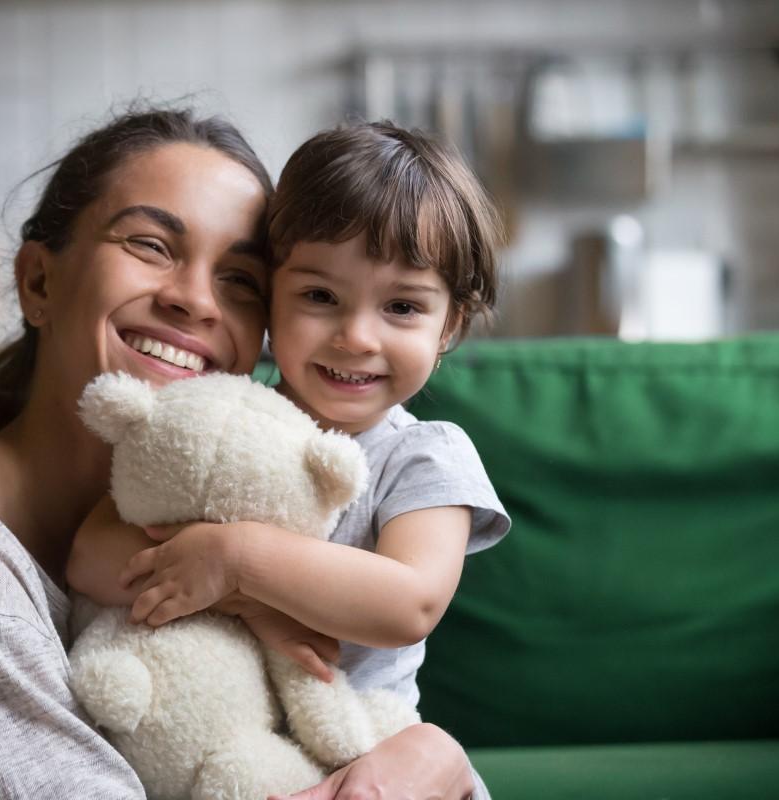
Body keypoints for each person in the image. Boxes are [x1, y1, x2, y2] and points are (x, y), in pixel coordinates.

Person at [0, 107, 480, 799]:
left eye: (239, 279)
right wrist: (435, 764)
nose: (196, 301)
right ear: (38, 281)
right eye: (151, 246)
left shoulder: (260, 483)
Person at [68, 122, 509, 800]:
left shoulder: (423, 452)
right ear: (271, 296)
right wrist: (250, 608)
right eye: (320, 297)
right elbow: (93, 553)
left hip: (368, 747)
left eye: (402, 307)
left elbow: (409, 601)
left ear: (449, 324)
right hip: (231, 750)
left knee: (423, 752)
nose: (357, 336)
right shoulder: (222, 420)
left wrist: (240, 562)